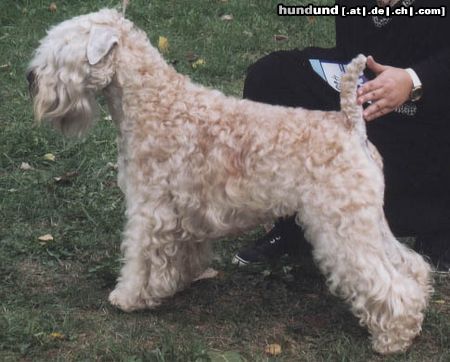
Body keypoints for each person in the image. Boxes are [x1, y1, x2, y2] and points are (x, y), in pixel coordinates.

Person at [232, 0, 450, 272]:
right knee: (272, 77)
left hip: (430, 110)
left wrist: (413, 80)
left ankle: (438, 224)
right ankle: (295, 224)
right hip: (373, 92)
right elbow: (354, 47)